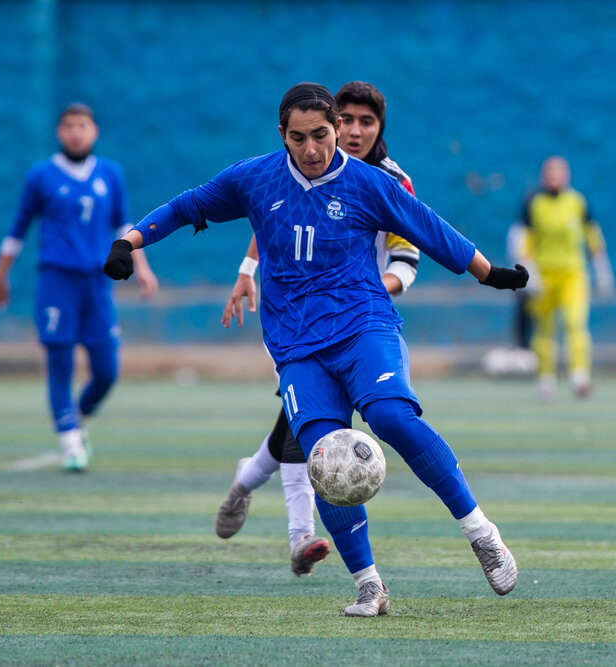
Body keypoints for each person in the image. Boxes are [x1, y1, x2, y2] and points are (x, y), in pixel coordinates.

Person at [103, 82, 525, 616]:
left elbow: (430, 229)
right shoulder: (254, 177)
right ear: (282, 134)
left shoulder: (371, 183)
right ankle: (369, 584)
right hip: (296, 345)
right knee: (324, 459)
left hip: (363, 325)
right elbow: (188, 205)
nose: (312, 148)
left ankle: (481, 533)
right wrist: (130, 242)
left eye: (322, 135)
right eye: (298, 138)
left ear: (335, 130)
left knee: (392, 417)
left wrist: (490, 275)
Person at [215, 82, 420, 579]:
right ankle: (300, 536)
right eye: (345, 121)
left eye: (365, 122)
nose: (353, 131)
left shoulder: (391, 182)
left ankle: (244, 483)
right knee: (304, 430)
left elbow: (408, 259)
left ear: (379, 129)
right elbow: (274, 216)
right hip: (300, 323)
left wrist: (367, 296)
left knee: (297, 427)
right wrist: (247, 270)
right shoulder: (308, 164)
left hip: (360, 327)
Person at [0, 103, 158, 472]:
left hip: (98, 282)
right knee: (60, 362)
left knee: (107, 370)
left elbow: (124, 226)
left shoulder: (110, 174)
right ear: (59, 132)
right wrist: (0, 274)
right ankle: (68, 440)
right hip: (56, 280)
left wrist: (142, 267)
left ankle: (76, 420)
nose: (75, 132)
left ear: (94, 131)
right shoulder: (41, 175)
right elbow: (19, 227)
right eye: (68, 125)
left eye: (82, 125)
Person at [516, 156, 614, 401]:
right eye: (550, 172)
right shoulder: (533, 203)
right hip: (544, 275)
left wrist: (601, 267)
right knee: (544, 329)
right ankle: (546, 379)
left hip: (573, 274)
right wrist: (528, 271)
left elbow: (592, 234)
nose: (554, 177)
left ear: (567, 176)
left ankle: (579, 375)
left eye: (559, 172)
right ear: (543, 176)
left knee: (575, 323)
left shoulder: (577, 202)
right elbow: (523, 239)